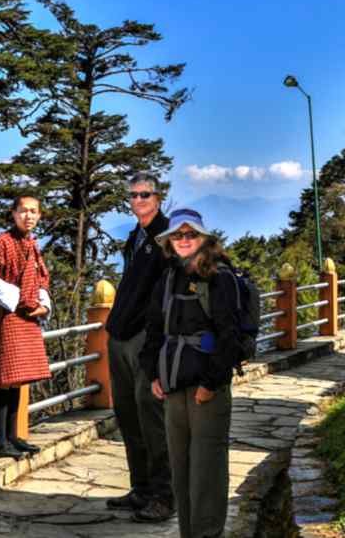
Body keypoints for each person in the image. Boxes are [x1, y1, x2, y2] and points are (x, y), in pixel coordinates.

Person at [140, 210, 242, 538]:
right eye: (177, 235)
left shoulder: (220, 277)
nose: (184, 240)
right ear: (169, 242)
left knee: (207, 471)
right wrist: (153, 373)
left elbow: (229, 335)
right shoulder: (169, 277)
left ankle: (207, 534)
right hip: (172, 386)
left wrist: (212, 383)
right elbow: (155, 328)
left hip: (205, 390)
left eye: (191, 234)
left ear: (203, 239)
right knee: (181, 471)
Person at [102, 173, 173, 520]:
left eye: (145, 194)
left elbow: (167, 293)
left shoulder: (167, 237)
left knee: (152, 418)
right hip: (120, 335)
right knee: (128, 416)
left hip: (146, 338)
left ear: (158, 197)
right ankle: (141, 488)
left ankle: (163, 494)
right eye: (133, 195)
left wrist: (155, 336)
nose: (139, 200)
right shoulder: (136, 236)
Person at [0, 195, 51, 459]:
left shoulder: (32, 245)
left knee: (19, 379)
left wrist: (42, 305)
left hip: (29, 315)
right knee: (4, 379)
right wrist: (22, 301)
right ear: (13, 213)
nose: (28, 216)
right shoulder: (2, 243)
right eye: (23, 211)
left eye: (34, 212)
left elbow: (43, 277)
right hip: (8, 315)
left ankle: (12, 436)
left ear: (39, 216)